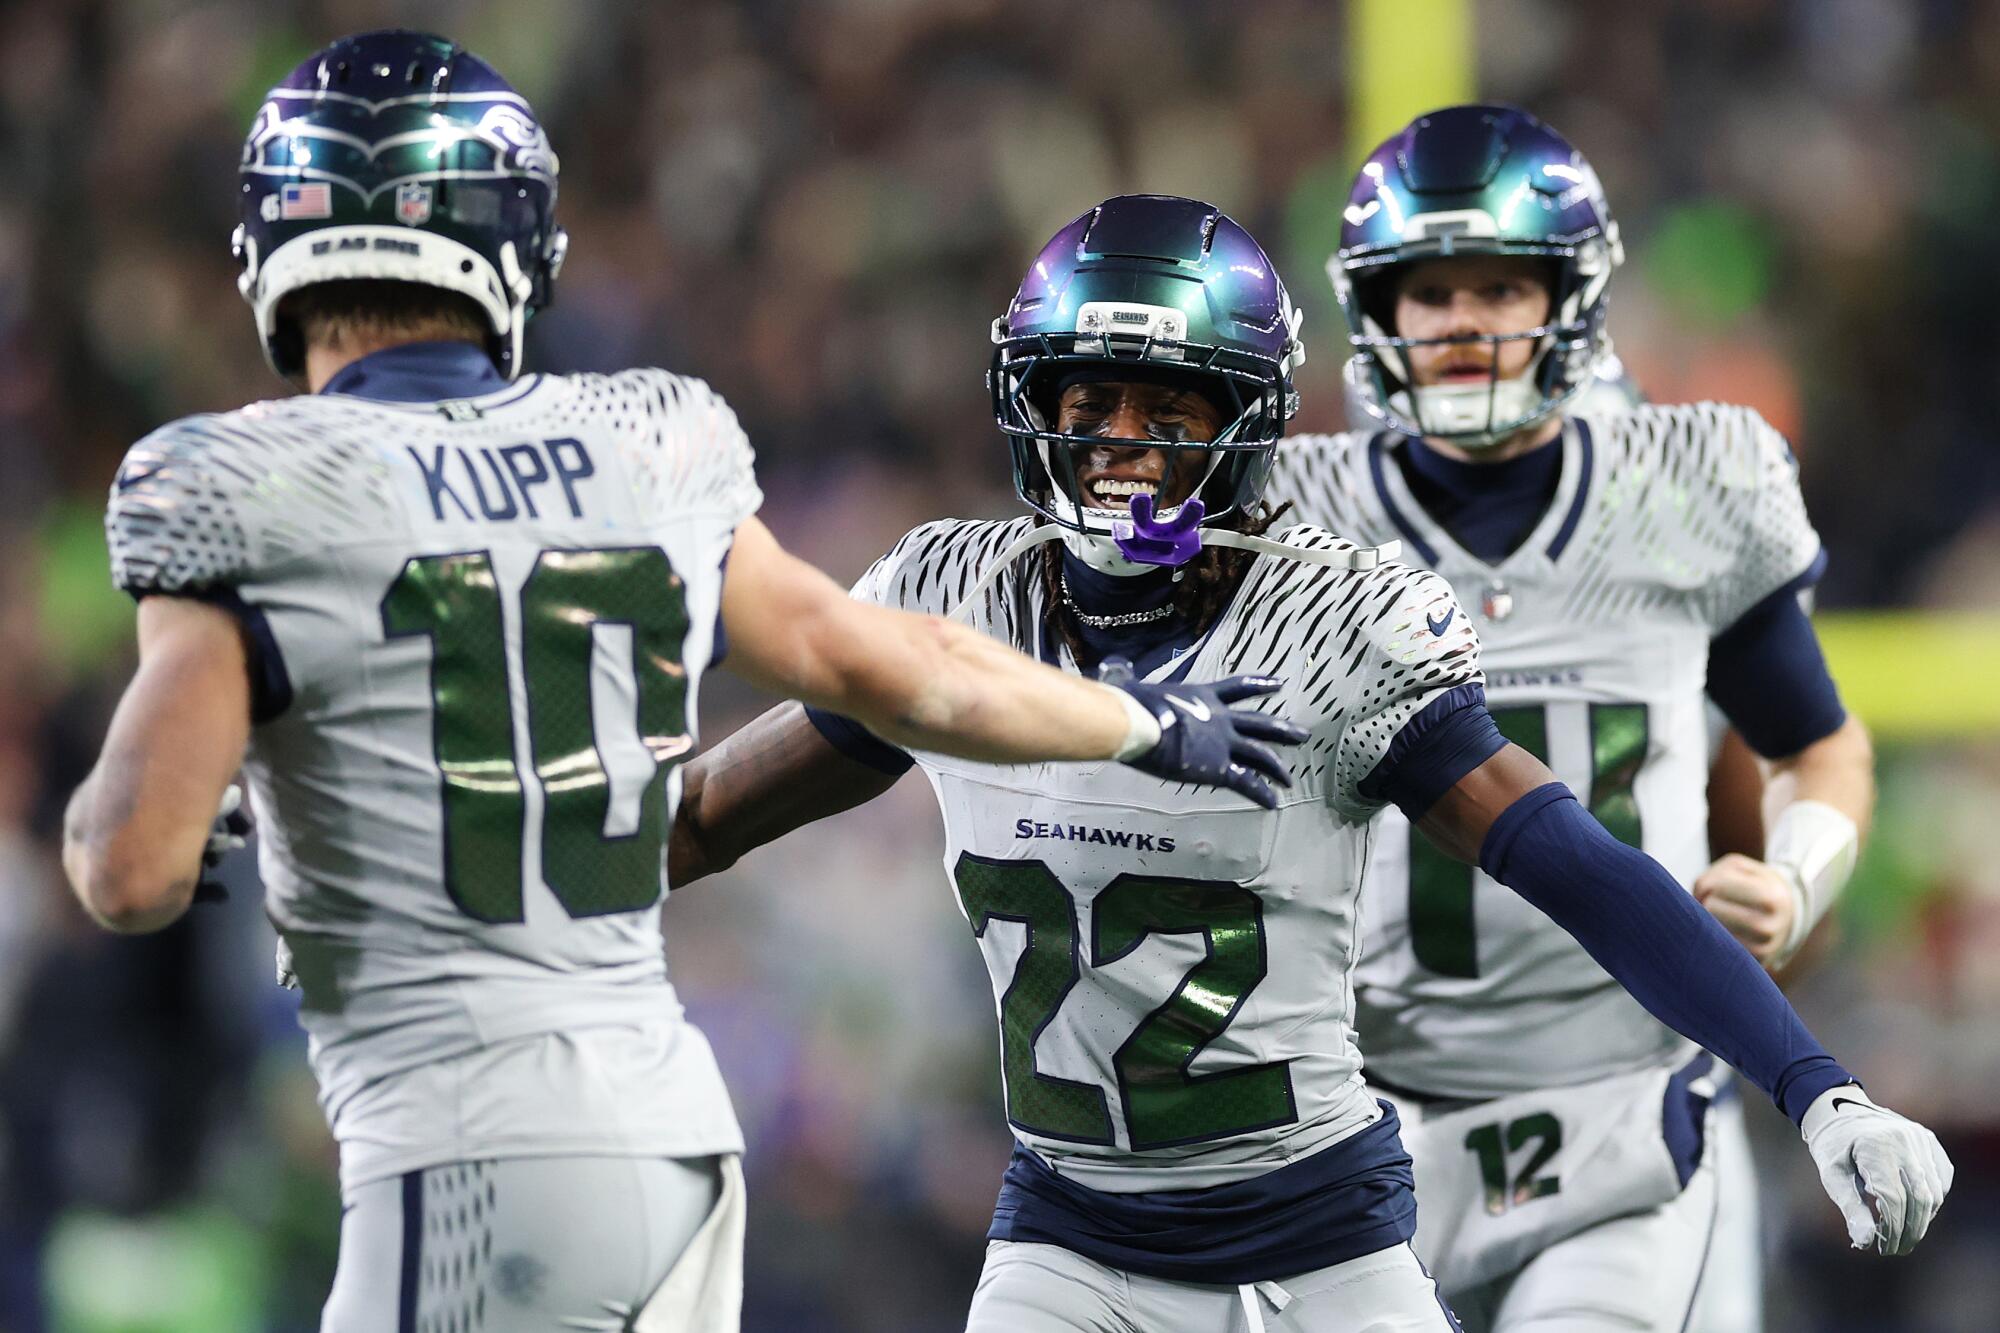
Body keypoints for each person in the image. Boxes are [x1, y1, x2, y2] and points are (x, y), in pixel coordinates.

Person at [56, 33, 1300, 1333]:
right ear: (518, 246)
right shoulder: (639, 440)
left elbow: (132, 868)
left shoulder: (236, 480)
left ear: (268, 249)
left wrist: (155, 806)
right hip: (675, 1148)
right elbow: (898, 666)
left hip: (468, 1147)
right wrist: (1149, 720)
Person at [668, 191, 1949, 1332]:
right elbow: (711, 812)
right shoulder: (950, 601)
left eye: (1165, 408)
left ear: (1244, 426)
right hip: (1071, 1239)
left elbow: (1574, 867)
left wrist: (1813, 1086)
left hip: (1320, 1247)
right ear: (1030, 407)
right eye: (1088, 399)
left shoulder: (1330, 627)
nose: (1119, 438)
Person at [1268, 103, 1877, 1330]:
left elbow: (1817, 743)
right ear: (1371, 311)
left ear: (1569, 297)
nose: (1459, 325)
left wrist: (1800, 876)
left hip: (1623, 1102)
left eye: (1497, 287)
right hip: (1365, 1119)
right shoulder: (1288, 515)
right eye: (1424, 291)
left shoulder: (1682, 486)